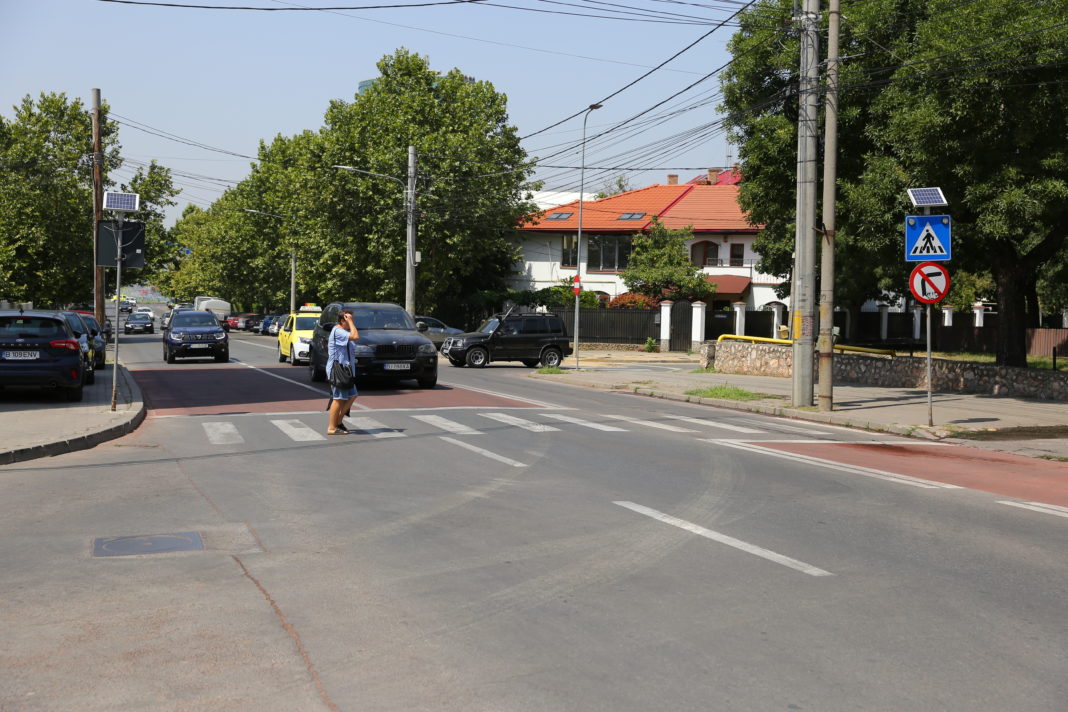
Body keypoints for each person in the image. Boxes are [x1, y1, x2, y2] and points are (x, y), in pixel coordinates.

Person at [326, 308, 359, 435]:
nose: (352, 321)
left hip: (346, 370)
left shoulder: (343, 331)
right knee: (338, 398)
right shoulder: (338, 331)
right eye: (349, 319)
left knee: (352, 395)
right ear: (342, 320)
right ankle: (331, 427)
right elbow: (355, 336)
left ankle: (338, 422)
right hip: (338, 370)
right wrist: (351, 322)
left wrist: (350, 322)